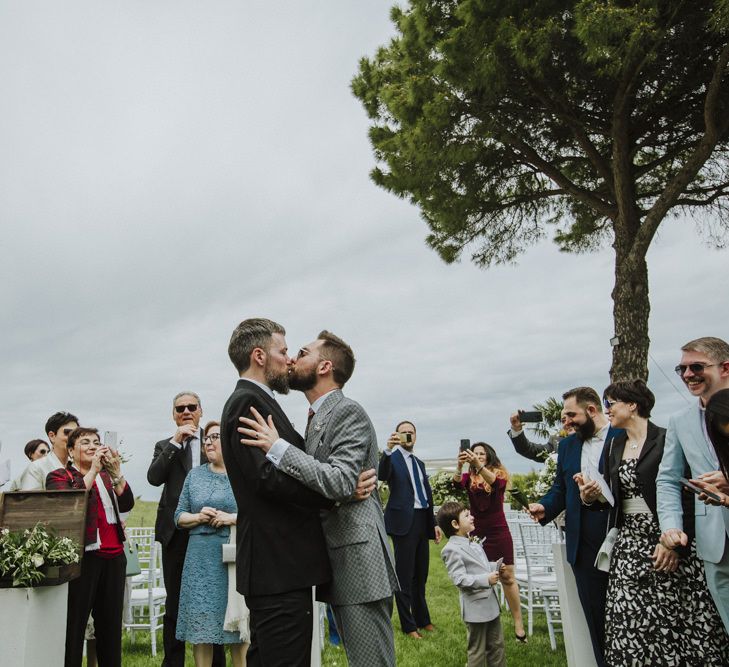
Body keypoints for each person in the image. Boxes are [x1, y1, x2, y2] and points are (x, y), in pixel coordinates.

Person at [238, 330, 398, 667]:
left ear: (324, 366)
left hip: (359, 564)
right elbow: (335, 485)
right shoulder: (315, 419)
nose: (293, 359)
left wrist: (277, 447)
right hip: (335, 563)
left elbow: (339, 481)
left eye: (301, 352)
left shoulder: (347, 412)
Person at [584, 380, 729, 666]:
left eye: (611, 403)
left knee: (677, 619)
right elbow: (614, 498)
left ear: (633, 405)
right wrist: (591, 496)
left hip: (667, 540)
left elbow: (685, 493)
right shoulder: (614, 444)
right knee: (630, 621)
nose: (607, 410)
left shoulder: (665, 438)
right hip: (628, 545)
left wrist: (675, 543)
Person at [220, 318, 333, 667]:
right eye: (282, 351)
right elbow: (266, 478)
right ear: (259, 356)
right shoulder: (246, 403)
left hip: (281, 564)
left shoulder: (259, 400)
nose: (288, 359)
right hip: (277, 564)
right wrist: (329, 491)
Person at [527, 386, 619, 667]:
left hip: (623, 533)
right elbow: (560, 488)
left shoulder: (623, 435)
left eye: (570, 415)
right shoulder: (567, 445)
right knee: (597, 618)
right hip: (584, 542)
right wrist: (545, 506)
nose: (564, 421)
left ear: (592, 410)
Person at [657, 336, 729, 631]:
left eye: (696, 367)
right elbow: (668, 479)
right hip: (715, 545)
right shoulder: (680, 421)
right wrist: (671, 526)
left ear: (725, 367)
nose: (688, 375)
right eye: (682, 369)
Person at [46, 427, 134, 667]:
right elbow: (69, 504)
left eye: (96, 442)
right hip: (83, 559)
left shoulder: (106, 477)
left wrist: (116, 473)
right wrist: (94, 470)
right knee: (75, 625)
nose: (93, 446)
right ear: (71, 450)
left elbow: (127, 503)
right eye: (85, 442)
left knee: (110, 627)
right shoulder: (59, 476)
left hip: (115, 557)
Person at [147, 392, 223, 667]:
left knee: (215, 599)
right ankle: (173, 662)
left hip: (211, 533)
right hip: (175, 535)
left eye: (192, 407)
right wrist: (175, 443)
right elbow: (154, 478)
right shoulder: (164, 445)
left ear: (201, 411)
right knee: (175, 605)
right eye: (180, 408)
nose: (186, 411)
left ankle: (217, 662)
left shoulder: (215, 441)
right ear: (174, 414)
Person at [175, 420, 249, 667]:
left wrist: (231, 518)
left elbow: (257, 514)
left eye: (215, 437)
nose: (208, 442)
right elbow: (179, 516)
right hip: (200, 560)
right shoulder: (194, 476)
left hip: (234, 558)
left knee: (239, 630)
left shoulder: (243, 474)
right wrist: (197, 517)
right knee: (201, 630)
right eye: (206, 438)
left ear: (229, 441)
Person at [454, 442, 525, 641]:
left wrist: (479, 466)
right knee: (480, 578)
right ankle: (484, 623)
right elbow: (456, 484)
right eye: (474, 453)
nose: (478, 456)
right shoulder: (469, 478)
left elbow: (494, 484)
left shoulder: (499, 474)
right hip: (477, 533)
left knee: (507, 577)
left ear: (488, 456)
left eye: (481, 453)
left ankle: (518, 622)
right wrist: (459, 466)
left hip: (498, 531)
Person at [379, 420, 442, 639]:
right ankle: (408, 625)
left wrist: (433, 523)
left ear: (416, 436)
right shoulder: (392, 458)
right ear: (397, 436)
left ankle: (423, 619)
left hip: (421, 520)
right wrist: (387, 449)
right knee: (405, 577)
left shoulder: (419, 463)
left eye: (411, 432)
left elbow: (427, 496)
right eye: (403, 432)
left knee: (420, 575)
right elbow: (382, 474)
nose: (408, 435)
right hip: (402, 523)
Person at [436, 501, 505, 667]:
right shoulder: (451, 549)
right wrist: (486, 580)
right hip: (476, 610)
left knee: (497, 646)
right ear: (455, 524)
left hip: (491, 604)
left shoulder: (472, 542)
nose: (472, 517)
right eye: (467, 515)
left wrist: (493, 566)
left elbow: (478, 566)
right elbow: (460, 579)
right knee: (477, 651)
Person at [16, 411, 79, 489]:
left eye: (76, 434)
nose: (73, 438)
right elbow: (30, 500)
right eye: (67, 433)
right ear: (52, 436)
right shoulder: (36, 468)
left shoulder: (79, 466)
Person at [508, 411, 573, 462]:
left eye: (572, 417)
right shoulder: (556, 441)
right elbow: (528, 450)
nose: (567, 423)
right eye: (563, 420)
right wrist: (516, 429)